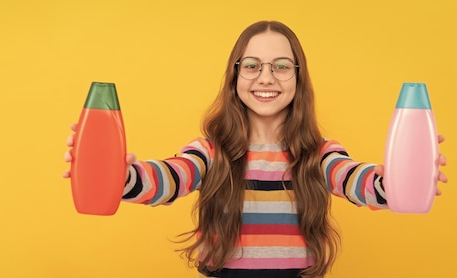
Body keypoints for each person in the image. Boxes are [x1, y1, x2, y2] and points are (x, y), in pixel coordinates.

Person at [62, 20, 448, 278]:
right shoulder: (210, 152)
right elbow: (166, 178)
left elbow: (359, 180)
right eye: (252, 65)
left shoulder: (319, 154)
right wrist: (116, 174)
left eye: (282, 65)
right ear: (235, 75)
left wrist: (401, 177)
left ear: (298, 77)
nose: (266, 77)